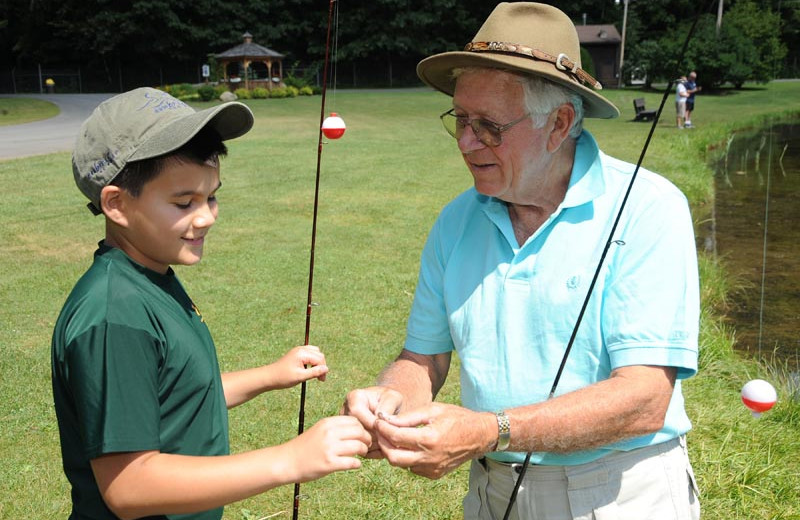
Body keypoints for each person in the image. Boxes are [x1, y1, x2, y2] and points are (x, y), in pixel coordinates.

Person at [343, 3, 700, 519]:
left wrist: (491, 429)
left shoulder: (649, 209)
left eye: (488, 125)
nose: (466, 143)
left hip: (619, 494)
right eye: (460, 120)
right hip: (492, 492)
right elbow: (424, 358)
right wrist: (389, 401)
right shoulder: (455, 221)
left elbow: (645, 400)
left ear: (559, 124)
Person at [51, 87, 370, 520]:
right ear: (117, 204)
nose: (206, 217)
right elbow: (129, 485)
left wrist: (269, 376)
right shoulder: (115, 315)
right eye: (184, 203)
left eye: (211, 196)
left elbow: (175, 398)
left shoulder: (152, 276)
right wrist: (289, 460)